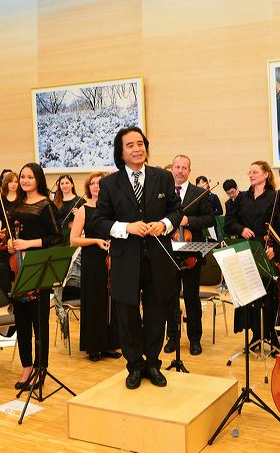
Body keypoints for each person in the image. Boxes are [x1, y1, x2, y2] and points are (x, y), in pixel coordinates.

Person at [92, 127, 182, 389]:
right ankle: (134, 365)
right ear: (121, 152)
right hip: (125, 258)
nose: (137, 148)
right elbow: (98, 220)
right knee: (127, 314)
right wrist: (125, 228)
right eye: (130, 145)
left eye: (140, 143)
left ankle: (153, 363)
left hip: (158, 258)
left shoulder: (163, 177)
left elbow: (176, 211)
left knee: (156, 312)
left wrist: (164, 224)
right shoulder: (109, 183)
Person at [6, 163, 62, 388]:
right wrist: (9, 244)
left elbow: (57, 237)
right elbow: (11, 233)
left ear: (38, 179)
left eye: (30, 176)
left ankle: (41, 368)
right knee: (21, 320)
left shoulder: (46, 205)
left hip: (38, 267)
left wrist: (28, 243)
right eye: (22, 177)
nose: (25, 180)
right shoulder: (17, 204)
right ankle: (26, 366)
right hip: (17, 269)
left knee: (39, 323)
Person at [164, 155, 216, 356]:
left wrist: (188, 221)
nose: (180, 171)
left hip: (191, 252)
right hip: (169, 252)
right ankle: (172, 338)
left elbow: (209, 219)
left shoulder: (199, 193)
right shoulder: (164, 193)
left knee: (192, 298)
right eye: (177, 167)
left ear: (189, 171)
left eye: (184, 168)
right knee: (170, 298)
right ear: (173, 168)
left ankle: (195, 339)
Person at [224, 161, 280, 346]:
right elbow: (229, 222)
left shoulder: (275, 197)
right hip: (246, 251)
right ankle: (256, 334)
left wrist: (275, 248)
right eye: (249, 172)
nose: (251, 175)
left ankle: (271, 335)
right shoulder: (242, 198)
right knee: (251, 294)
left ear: (266, 174)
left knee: (268, 294)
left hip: (265, 250)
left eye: (255, 172)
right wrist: (241, 229)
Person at [69, 171, 121, 362]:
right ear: (88, 187)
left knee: (110, 301)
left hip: (112, 257)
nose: (96, 186)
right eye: (93, 183)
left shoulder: (112, 208)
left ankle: (109, 344)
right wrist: (95, 241)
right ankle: (94, 346)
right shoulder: (84, 209)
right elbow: (73, 239)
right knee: (94, 301)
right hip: (92, 259)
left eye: (100, 183)